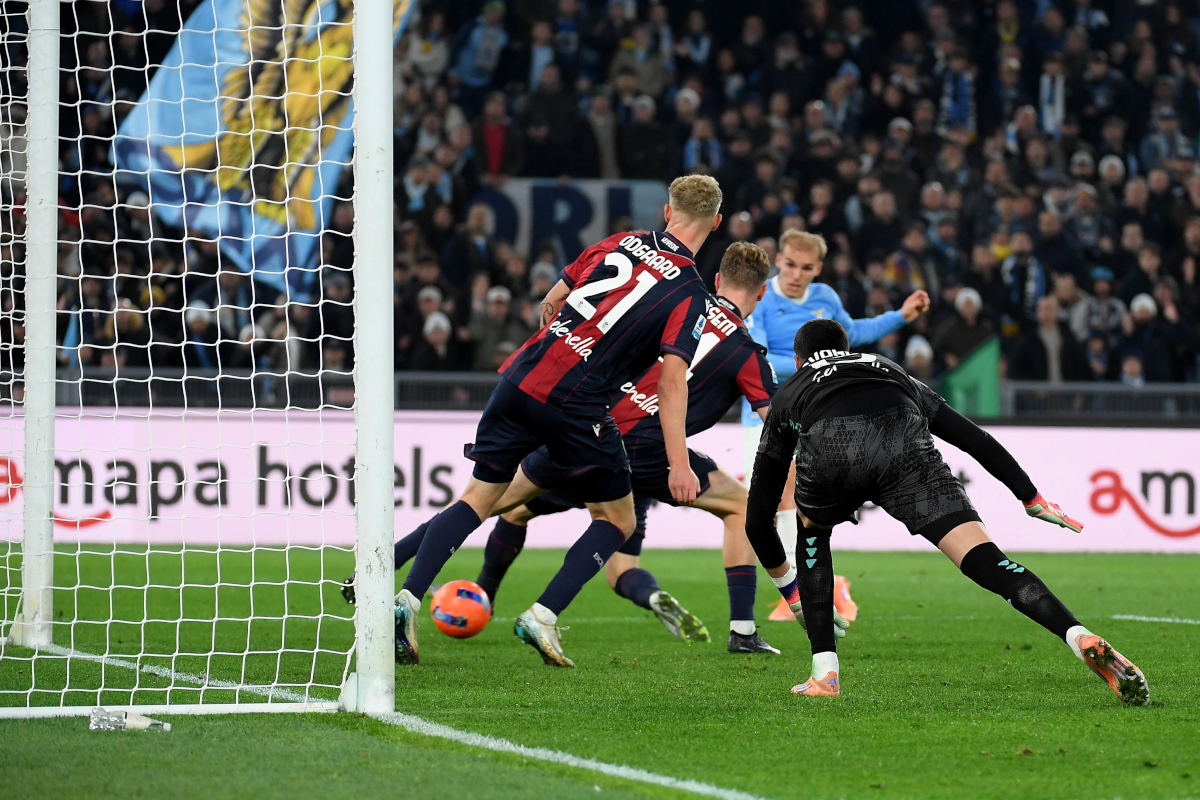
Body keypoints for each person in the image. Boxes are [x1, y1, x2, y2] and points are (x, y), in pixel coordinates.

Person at [360, 243, 847, 658]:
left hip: (587, 425)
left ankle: (378, 576)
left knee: (487, 502)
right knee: (734, 510)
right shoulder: (746, 353)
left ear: (718, 278)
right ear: (762, 293)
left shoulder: (677, 306)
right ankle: (744, 629)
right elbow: (776, 425)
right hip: (651, 452)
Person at [388, 175, 722, 666]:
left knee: (479, 500)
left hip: (521, 377)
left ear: (668, 213)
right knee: (619, 518)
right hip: (577, 405)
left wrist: (568, 341)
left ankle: (407, 599)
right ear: (715, 223)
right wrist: (679, 464)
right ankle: (542, 615)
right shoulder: (691, 294)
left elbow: (552, 299)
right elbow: (672, 383)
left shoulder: (621, 241)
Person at [744, 318, 1149, 705]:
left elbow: (757, 518)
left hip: (834, 449)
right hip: (903, 442)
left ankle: (824, 673)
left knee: (812, 528)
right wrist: (1029, 495)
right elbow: (974, 437)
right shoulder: (887, 367)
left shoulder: (790, 390)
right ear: (847, 351)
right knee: (988, 560)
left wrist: (794, 594)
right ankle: (1077, 635)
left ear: (799, 361)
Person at [741, 229, 929, 621]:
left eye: (806, 268)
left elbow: (852, 335)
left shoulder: (825, 298)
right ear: (779, 260)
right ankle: (810, 588)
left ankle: (799, 592)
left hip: (814, 414)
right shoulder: (761, 297)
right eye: (790, 264)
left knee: (795, 498)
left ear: (817, 269)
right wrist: (818, 367)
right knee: (769, 507)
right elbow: (755, 360)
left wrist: (900, 316)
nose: (796, 274)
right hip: (763, 414)